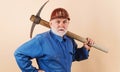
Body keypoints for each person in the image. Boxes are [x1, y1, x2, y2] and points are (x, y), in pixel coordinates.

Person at [14, 8, 94, 72]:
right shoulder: (42, 40)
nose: (61, 25)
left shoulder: (70, 40)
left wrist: (85, 48)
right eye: (58, 22)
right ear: (50, 23)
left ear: (68, 23)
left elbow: (74, 56)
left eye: (64, 22)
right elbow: (19, 54)